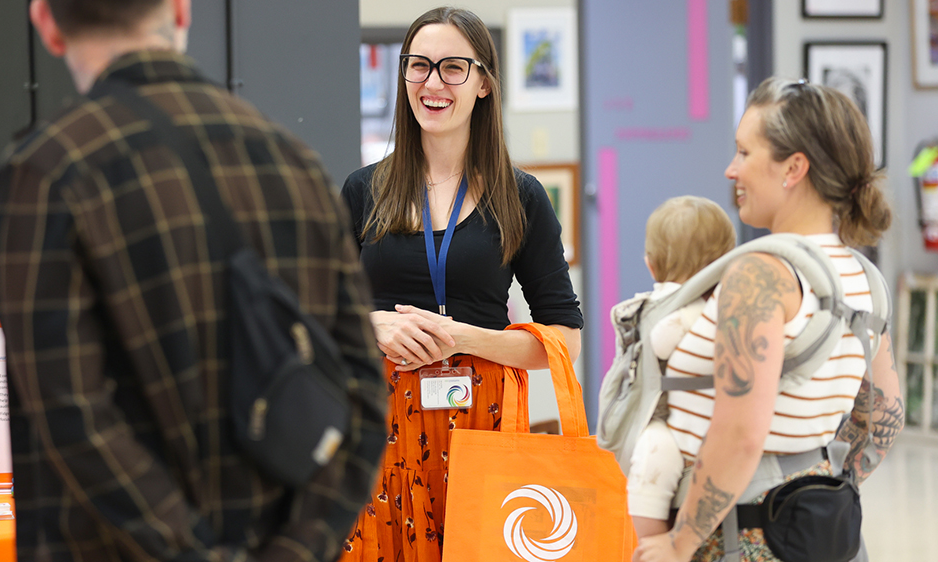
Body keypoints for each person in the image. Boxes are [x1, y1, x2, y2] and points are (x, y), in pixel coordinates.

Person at [0, 1, 385, 560]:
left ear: (46, 24)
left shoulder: (46, 171)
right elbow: (363, 398)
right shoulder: (291, 160)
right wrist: (297, 549)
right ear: (180, 10)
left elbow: (70, 411)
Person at [338, 7, 583, 562]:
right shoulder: (362, 191)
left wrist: (464, 337)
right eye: (418, 66)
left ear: (484, 83)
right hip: (375, 428)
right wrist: (372, 322)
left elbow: (564, 341)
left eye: (452, 67)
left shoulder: (521, 198)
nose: (432, 82)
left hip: (483, 426)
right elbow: (311, 313)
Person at [634, 77, 905, 562]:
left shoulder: (760, 275)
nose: (730, 169)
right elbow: (885, 413)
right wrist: (819, 484)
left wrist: (680, 544)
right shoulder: (863, 275)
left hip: (742, 536)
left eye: (744, 153)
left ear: (794, 168)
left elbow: (740, 433)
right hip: (821, 533)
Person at [627, 196, 736, 540]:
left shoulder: (714, 308)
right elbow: (659, 339)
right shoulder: (661, 309)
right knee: (653, 455)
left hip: (687, 427)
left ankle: (650, 537)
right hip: (674, 421)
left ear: (651, 264)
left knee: (651, 463)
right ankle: (651, 542)